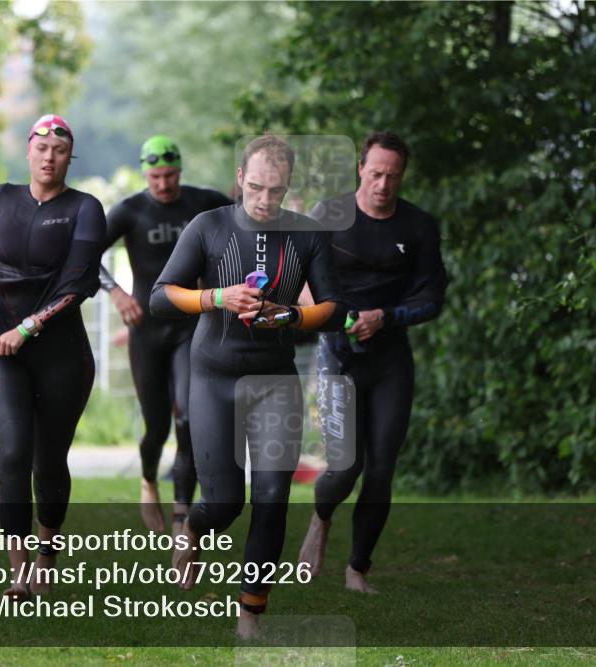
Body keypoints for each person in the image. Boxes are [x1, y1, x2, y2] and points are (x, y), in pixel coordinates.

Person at [149, 134, 344, 637]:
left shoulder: (308, 233)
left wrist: (291, 315)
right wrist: (215, 297)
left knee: (274, 497)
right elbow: (160, 297)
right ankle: (192, 528)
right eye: (255, 187)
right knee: (224, 503)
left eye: (274, 191)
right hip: (214, 375)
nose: (263, 199)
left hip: (274, 379)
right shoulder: (208, 226)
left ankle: (250, 611)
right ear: (240, 178)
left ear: (287, 188)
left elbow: (332, 310)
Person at [0, 114, 106, 600]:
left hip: (60, 352)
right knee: (14, 453)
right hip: (2, 349)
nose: (49, 157)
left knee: (49, 460)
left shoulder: (86, 208)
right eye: (41, 148)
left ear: (68, 156)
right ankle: (19, 570)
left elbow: (79, 282)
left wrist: (28, 326)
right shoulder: (1, 198)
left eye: (59, 150)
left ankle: (46, 557)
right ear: (28, 151)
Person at [298, 131, 447, 593]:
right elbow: (304, 285)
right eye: (377, 173)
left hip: (389, 360)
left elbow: (432, 299)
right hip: (338, 356)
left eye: (393, 176)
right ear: (361, 168)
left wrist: (386, 317)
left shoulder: (419, 226)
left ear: (402, 177)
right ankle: (321, 518)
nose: (383, 184)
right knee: (344, 468)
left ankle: (357, 570)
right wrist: (335, 319)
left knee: (381, 469)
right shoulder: (329, 216)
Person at [98, 135, 231, 535]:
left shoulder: (202, 201)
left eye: (170, 175)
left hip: (191, 327)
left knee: (188, 418)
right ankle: (148, 480)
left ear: (180, 170)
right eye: (155, 176)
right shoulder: (131, 211)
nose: (163, 184)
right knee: (156, 426)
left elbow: (245, 227)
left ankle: (181, 514)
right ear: (145, 174)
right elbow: (84, 257)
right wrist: (117, 293)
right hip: (146, 331)